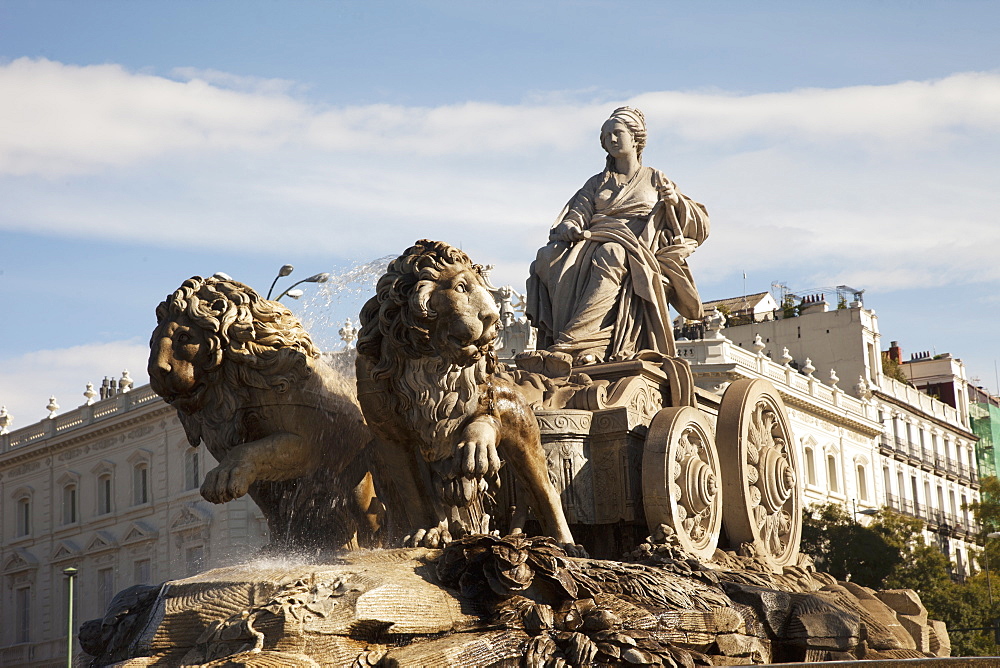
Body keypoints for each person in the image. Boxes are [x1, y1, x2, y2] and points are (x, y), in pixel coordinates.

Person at [526, 106, 710, 365]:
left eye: (617, 133)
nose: (610, 139)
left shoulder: (655, 178)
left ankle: (576, 342)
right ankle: (564, 337)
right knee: (546, 256)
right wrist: (570, 227)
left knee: (612, 252)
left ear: (636, 138)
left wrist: (675, 201)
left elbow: (699, 223)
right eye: (605, 135)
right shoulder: (596, 182)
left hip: (637, 248)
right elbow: (577, 213)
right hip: (593, 239)